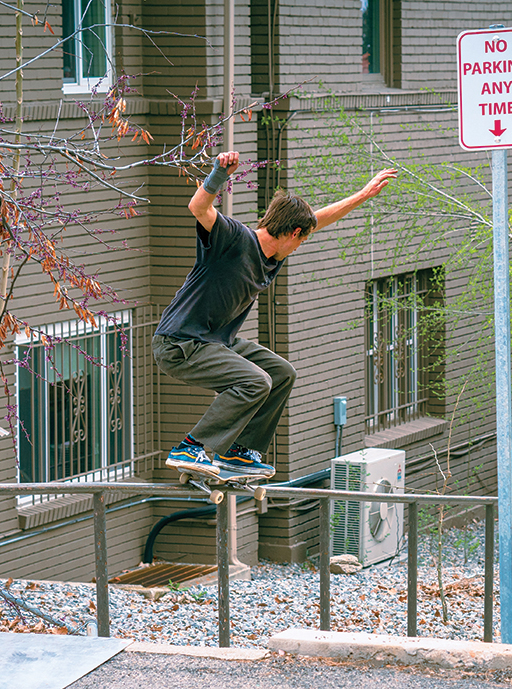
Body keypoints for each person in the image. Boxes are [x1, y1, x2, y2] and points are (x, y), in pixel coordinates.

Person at [154, 151, 397, 481]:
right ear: (293, 233)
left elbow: (319, 218)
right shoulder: (234, 238)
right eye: (302, 240)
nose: (299, 247)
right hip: (179, 342)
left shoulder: (274, 254)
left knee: (281, 373)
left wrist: (363, 195)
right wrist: (217, 175)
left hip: (215, 342)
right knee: (255, 381)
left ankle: (239, 452)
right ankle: (191, 446)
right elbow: (198, 208)